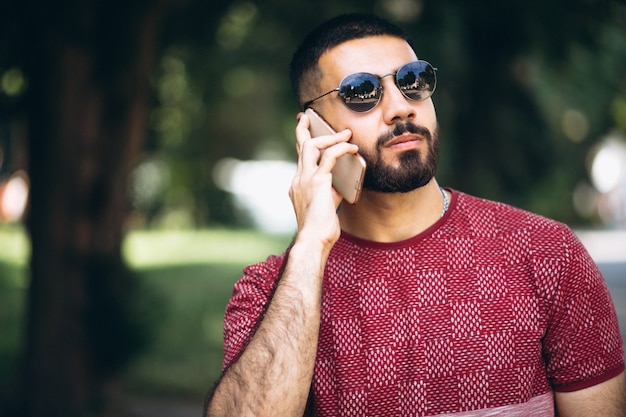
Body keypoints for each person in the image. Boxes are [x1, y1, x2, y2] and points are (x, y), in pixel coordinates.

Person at [204, 13, 625, 417]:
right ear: (311, 129)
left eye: (412, 82)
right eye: (362, 92)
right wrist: (311, 246)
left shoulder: (548, 253)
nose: (400, 108)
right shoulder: (271, 292)